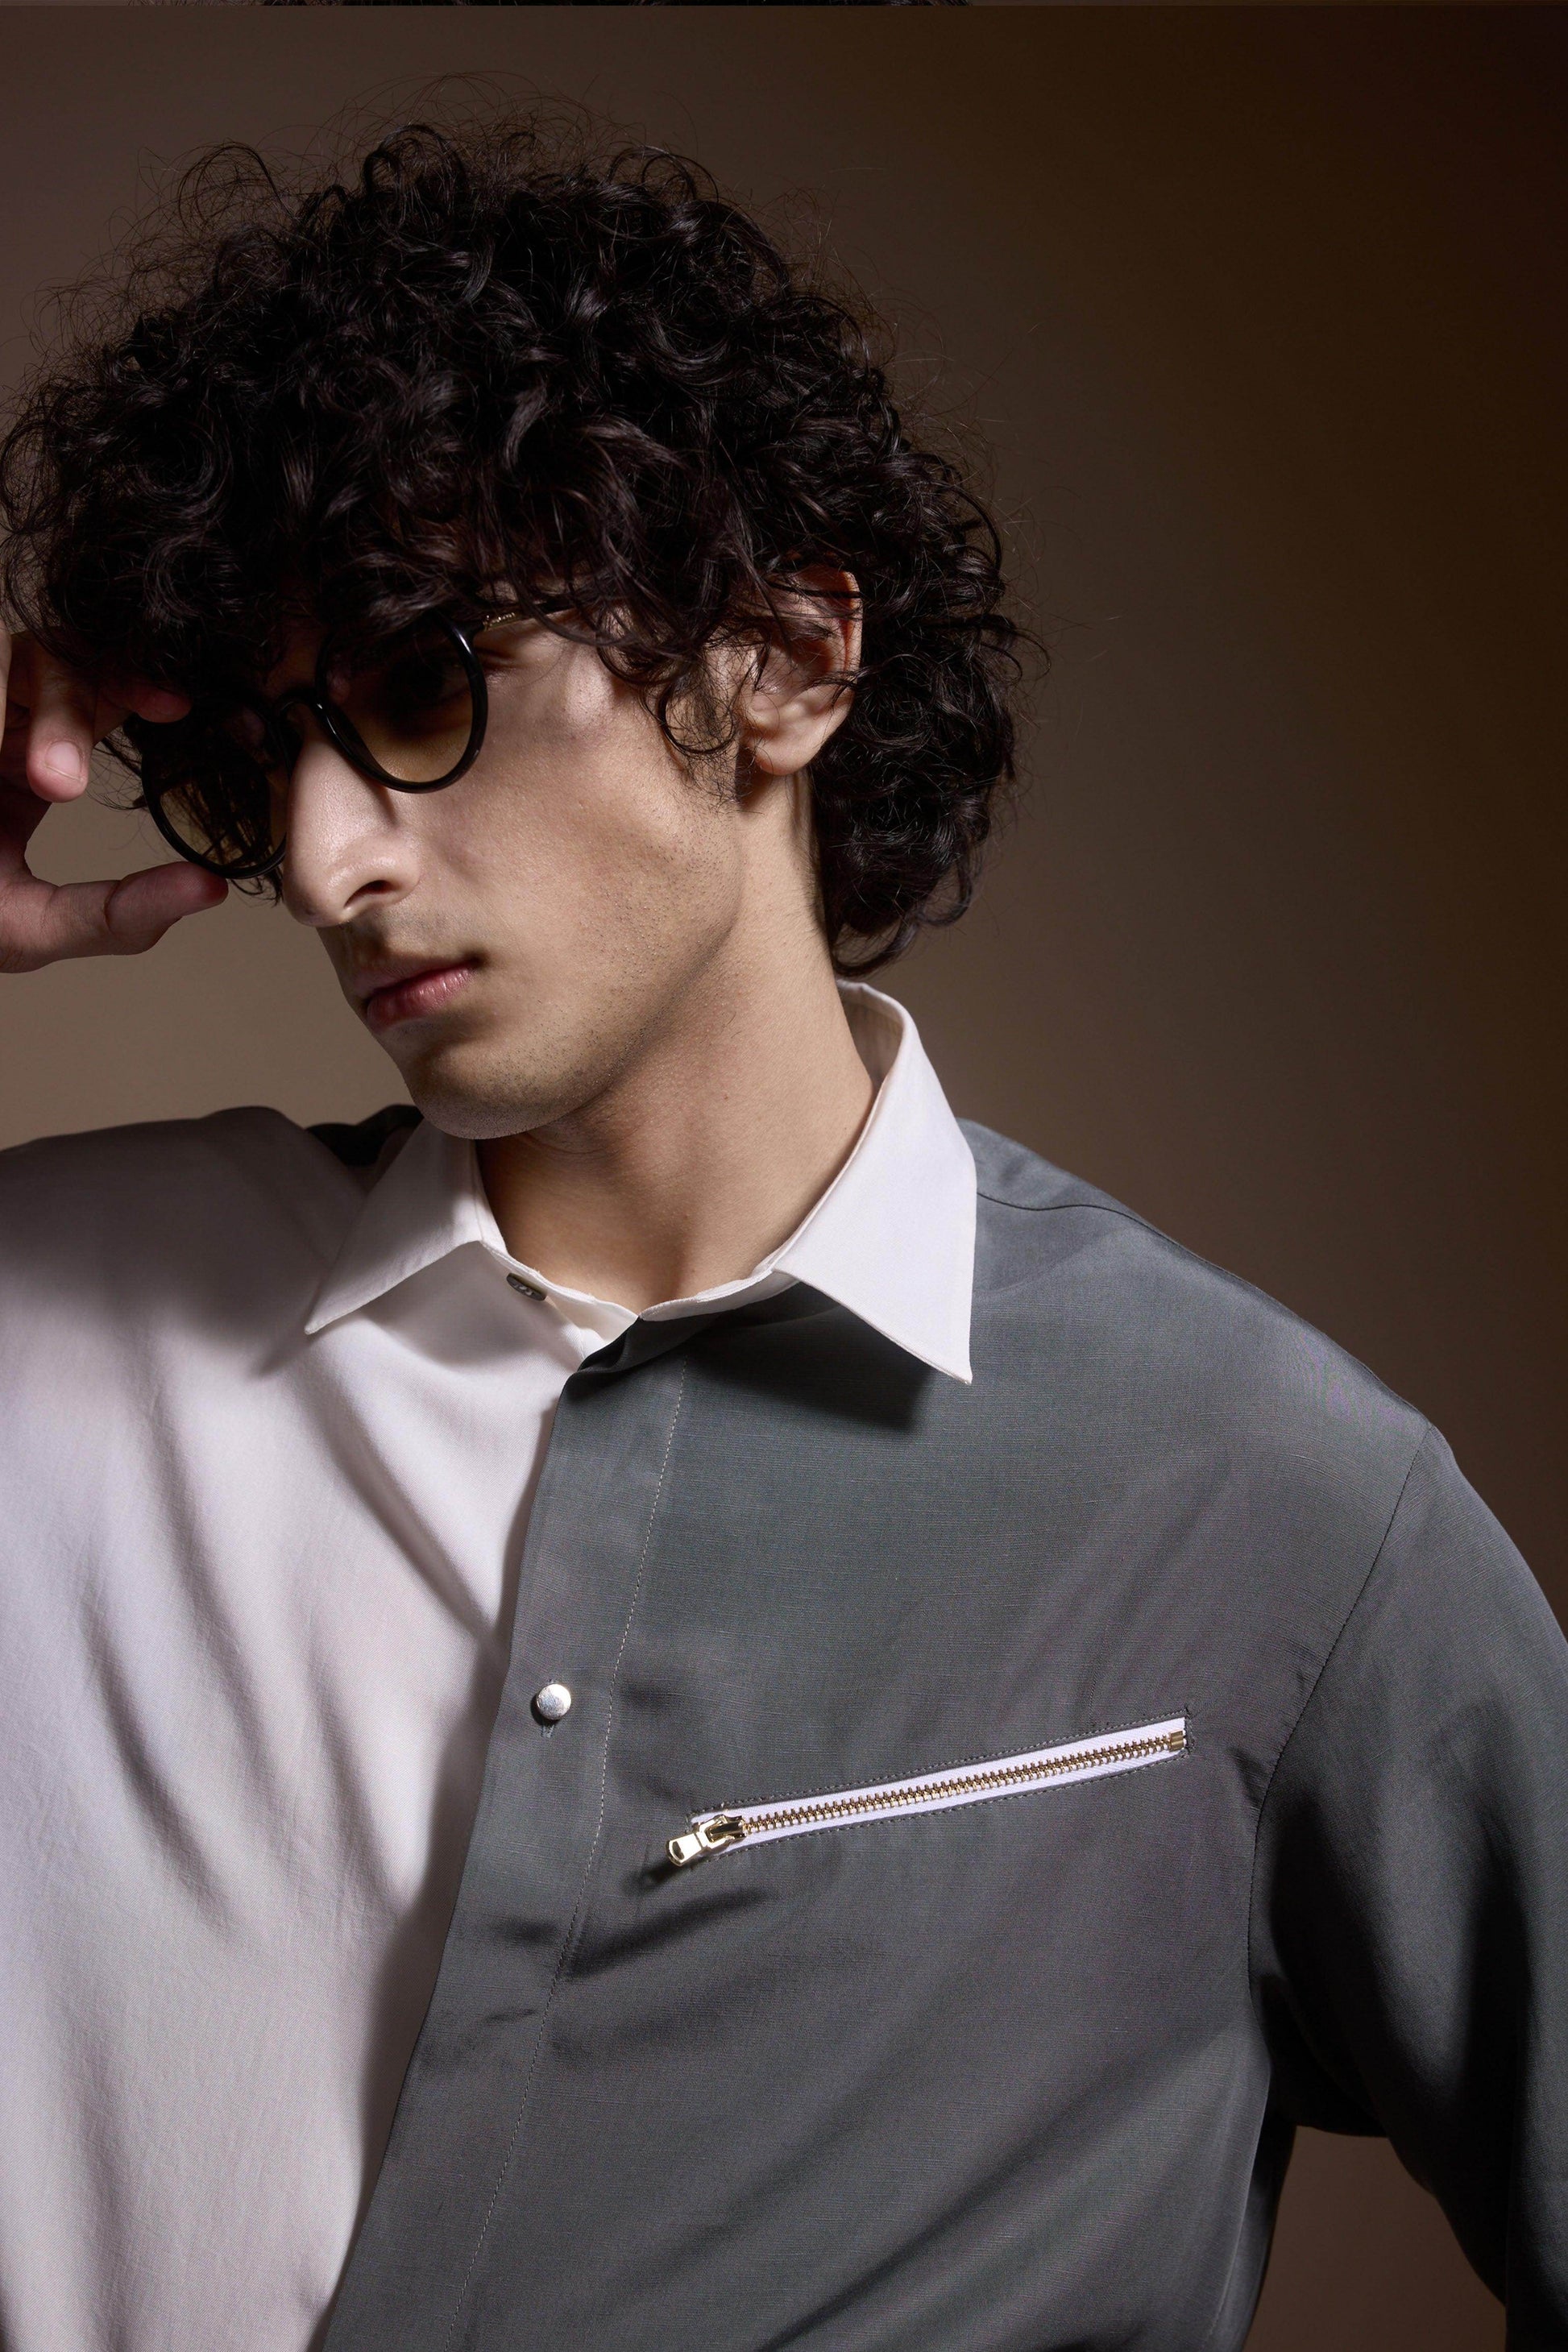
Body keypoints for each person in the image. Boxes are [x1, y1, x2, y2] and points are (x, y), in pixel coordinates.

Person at [0, 115, 1562, 2352]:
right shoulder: (46, 1330)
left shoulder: (1259, 1498)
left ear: (788, 662)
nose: (328, 859)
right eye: (270, 757)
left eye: (425, 687)